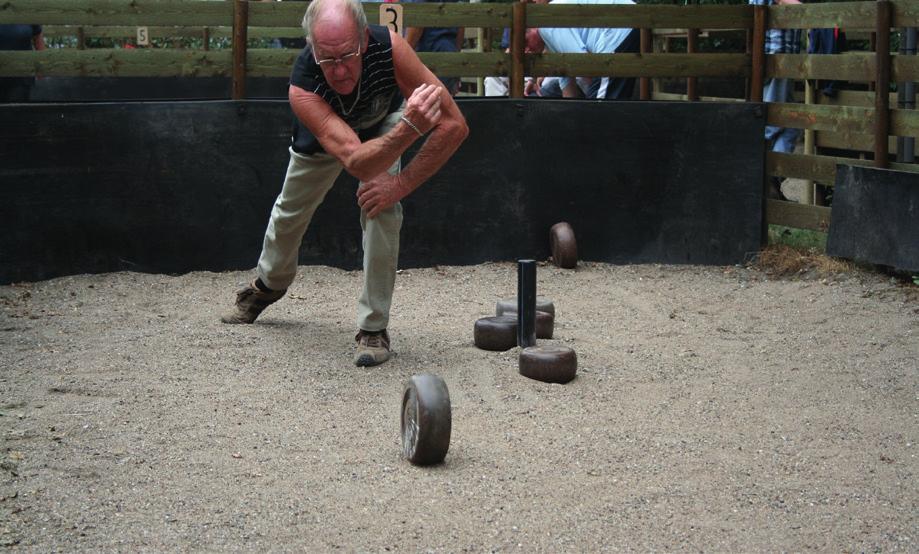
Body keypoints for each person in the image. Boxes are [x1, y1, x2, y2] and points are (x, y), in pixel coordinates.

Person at [220, 0, 469, 368]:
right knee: (290, 212)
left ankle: (373, 328)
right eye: (327, 59)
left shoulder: (391, 48)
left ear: (365, 40)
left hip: (384, 121)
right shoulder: (303, 86)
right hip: (334, 137)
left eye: (347, 56)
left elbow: (455, 125)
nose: (338, 71)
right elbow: (354, 161)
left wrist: (398, 185)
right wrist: (411, 127)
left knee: (381, 206)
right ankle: (268, 285)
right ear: (312, 48)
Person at [525, 0, 639, 100]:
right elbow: (568, 84)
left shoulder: (546, 25)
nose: (527, 50)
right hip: (626, 22)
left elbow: (582, 64)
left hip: (618, 29)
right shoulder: (552, 38)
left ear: (533, 27)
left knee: (600, 110)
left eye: (525, 42)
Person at [750, 0, 803, 200]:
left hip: (782, 55)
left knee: (792, 123)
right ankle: (760, 182)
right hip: (776, 55)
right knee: (772, 124)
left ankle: (771, 181)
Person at [403, 0, 465, 96]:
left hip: (428, 64)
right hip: (449, 57)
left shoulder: (420, 4)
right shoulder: (457, 4)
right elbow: (459, 38)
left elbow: (410, 41)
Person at [0, 24, 45, 102]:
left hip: (22, 78)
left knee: (17, 111)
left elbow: (38, 41)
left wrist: (41, 70)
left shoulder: (29, 14)